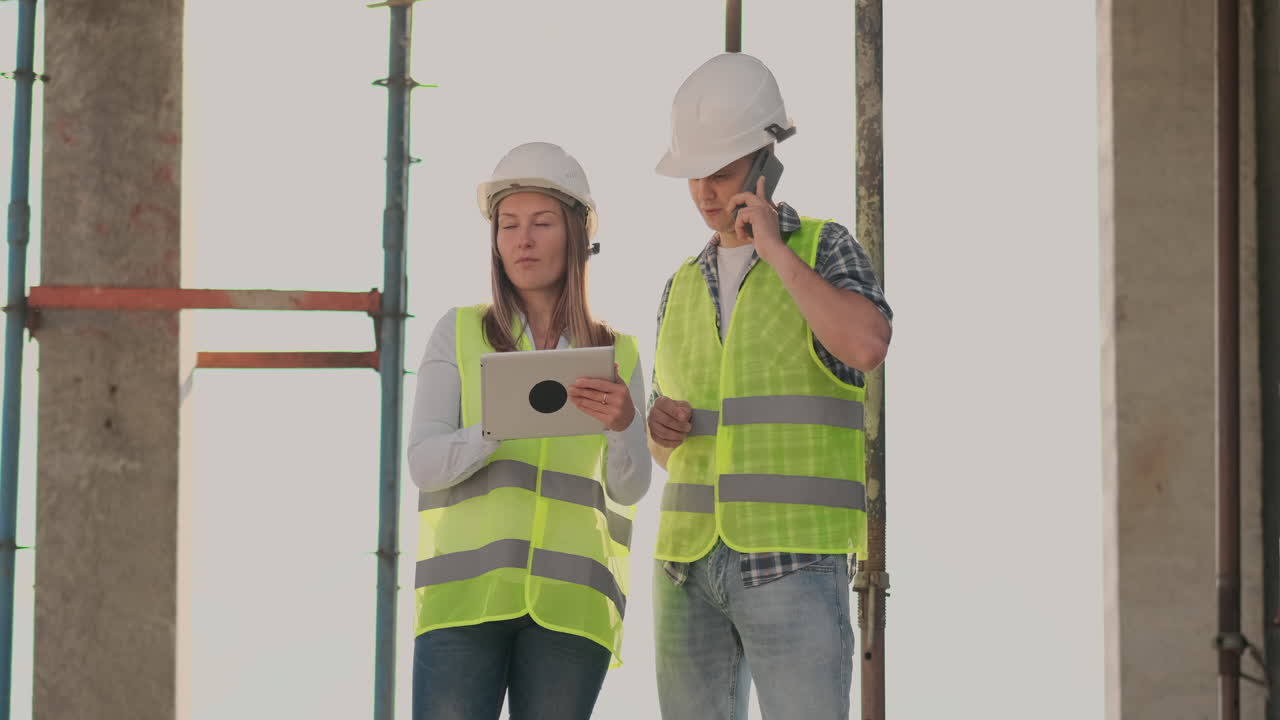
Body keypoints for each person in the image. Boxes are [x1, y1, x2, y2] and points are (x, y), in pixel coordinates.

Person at [647, 53, 894, 720]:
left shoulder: (821, 248)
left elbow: (867, 345)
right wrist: (660, 429)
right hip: (687, 566)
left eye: (721, 173)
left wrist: (775, 250)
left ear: (765, 160)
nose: (703, 191)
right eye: (694, 174)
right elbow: (677, 450)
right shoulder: (679, 286)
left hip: (790, 558)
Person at [406, 141, 651, 720]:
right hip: (465, 602)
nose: (523, 239)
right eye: (508, 224)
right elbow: (423, 462)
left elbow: (631, 487)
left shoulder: (618, 353)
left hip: (572, 612)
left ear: (574, 235)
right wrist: (496, 425)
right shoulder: (459, 332)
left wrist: (622, 426)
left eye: (541, 223)